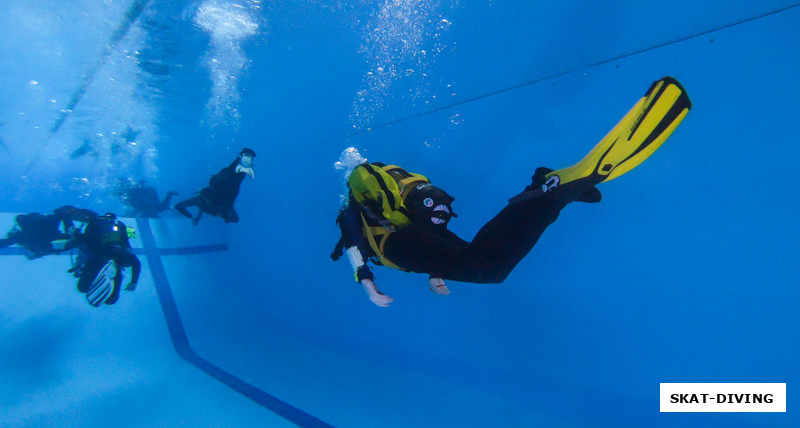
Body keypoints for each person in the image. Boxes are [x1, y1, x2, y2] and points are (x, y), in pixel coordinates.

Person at [332, 77, 692, 307]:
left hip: (400, 246)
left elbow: (353, 245)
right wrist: (436, 270)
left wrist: (367, 285)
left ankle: (547, 192)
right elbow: (427, 232)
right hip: (415, 239)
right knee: (485, 263)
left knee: (488, 269)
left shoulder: (352, 208)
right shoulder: (378, 200)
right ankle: (545, 191)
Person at [68, 211, 141, 306]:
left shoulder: (95, 223)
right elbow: (130, 249)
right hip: (119, 256)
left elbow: (85, 241)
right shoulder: (121, 225)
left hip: (99, 255)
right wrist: (133, 282)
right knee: (111, 300)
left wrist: (75, 233)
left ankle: (106, 266)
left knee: (82, 287)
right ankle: (113, 269)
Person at [174, 148, 256, 225]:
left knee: (234, 175)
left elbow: (181, 205)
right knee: (235, 175)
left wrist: (192, 218)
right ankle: (244, 156)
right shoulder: (212, 206)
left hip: (219, 186)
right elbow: (200, 206)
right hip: (222, 188)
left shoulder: (205, 203)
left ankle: (243, 156)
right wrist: (195, 218)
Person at [0, 206, 86, 259]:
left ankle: (73, 234)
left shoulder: (22, 236)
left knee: (71, 241)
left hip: (47, 240)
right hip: (49, 234)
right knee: (71, 238)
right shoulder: (33, 224)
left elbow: (5, 243)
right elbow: (60, 214)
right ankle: (73, 232)